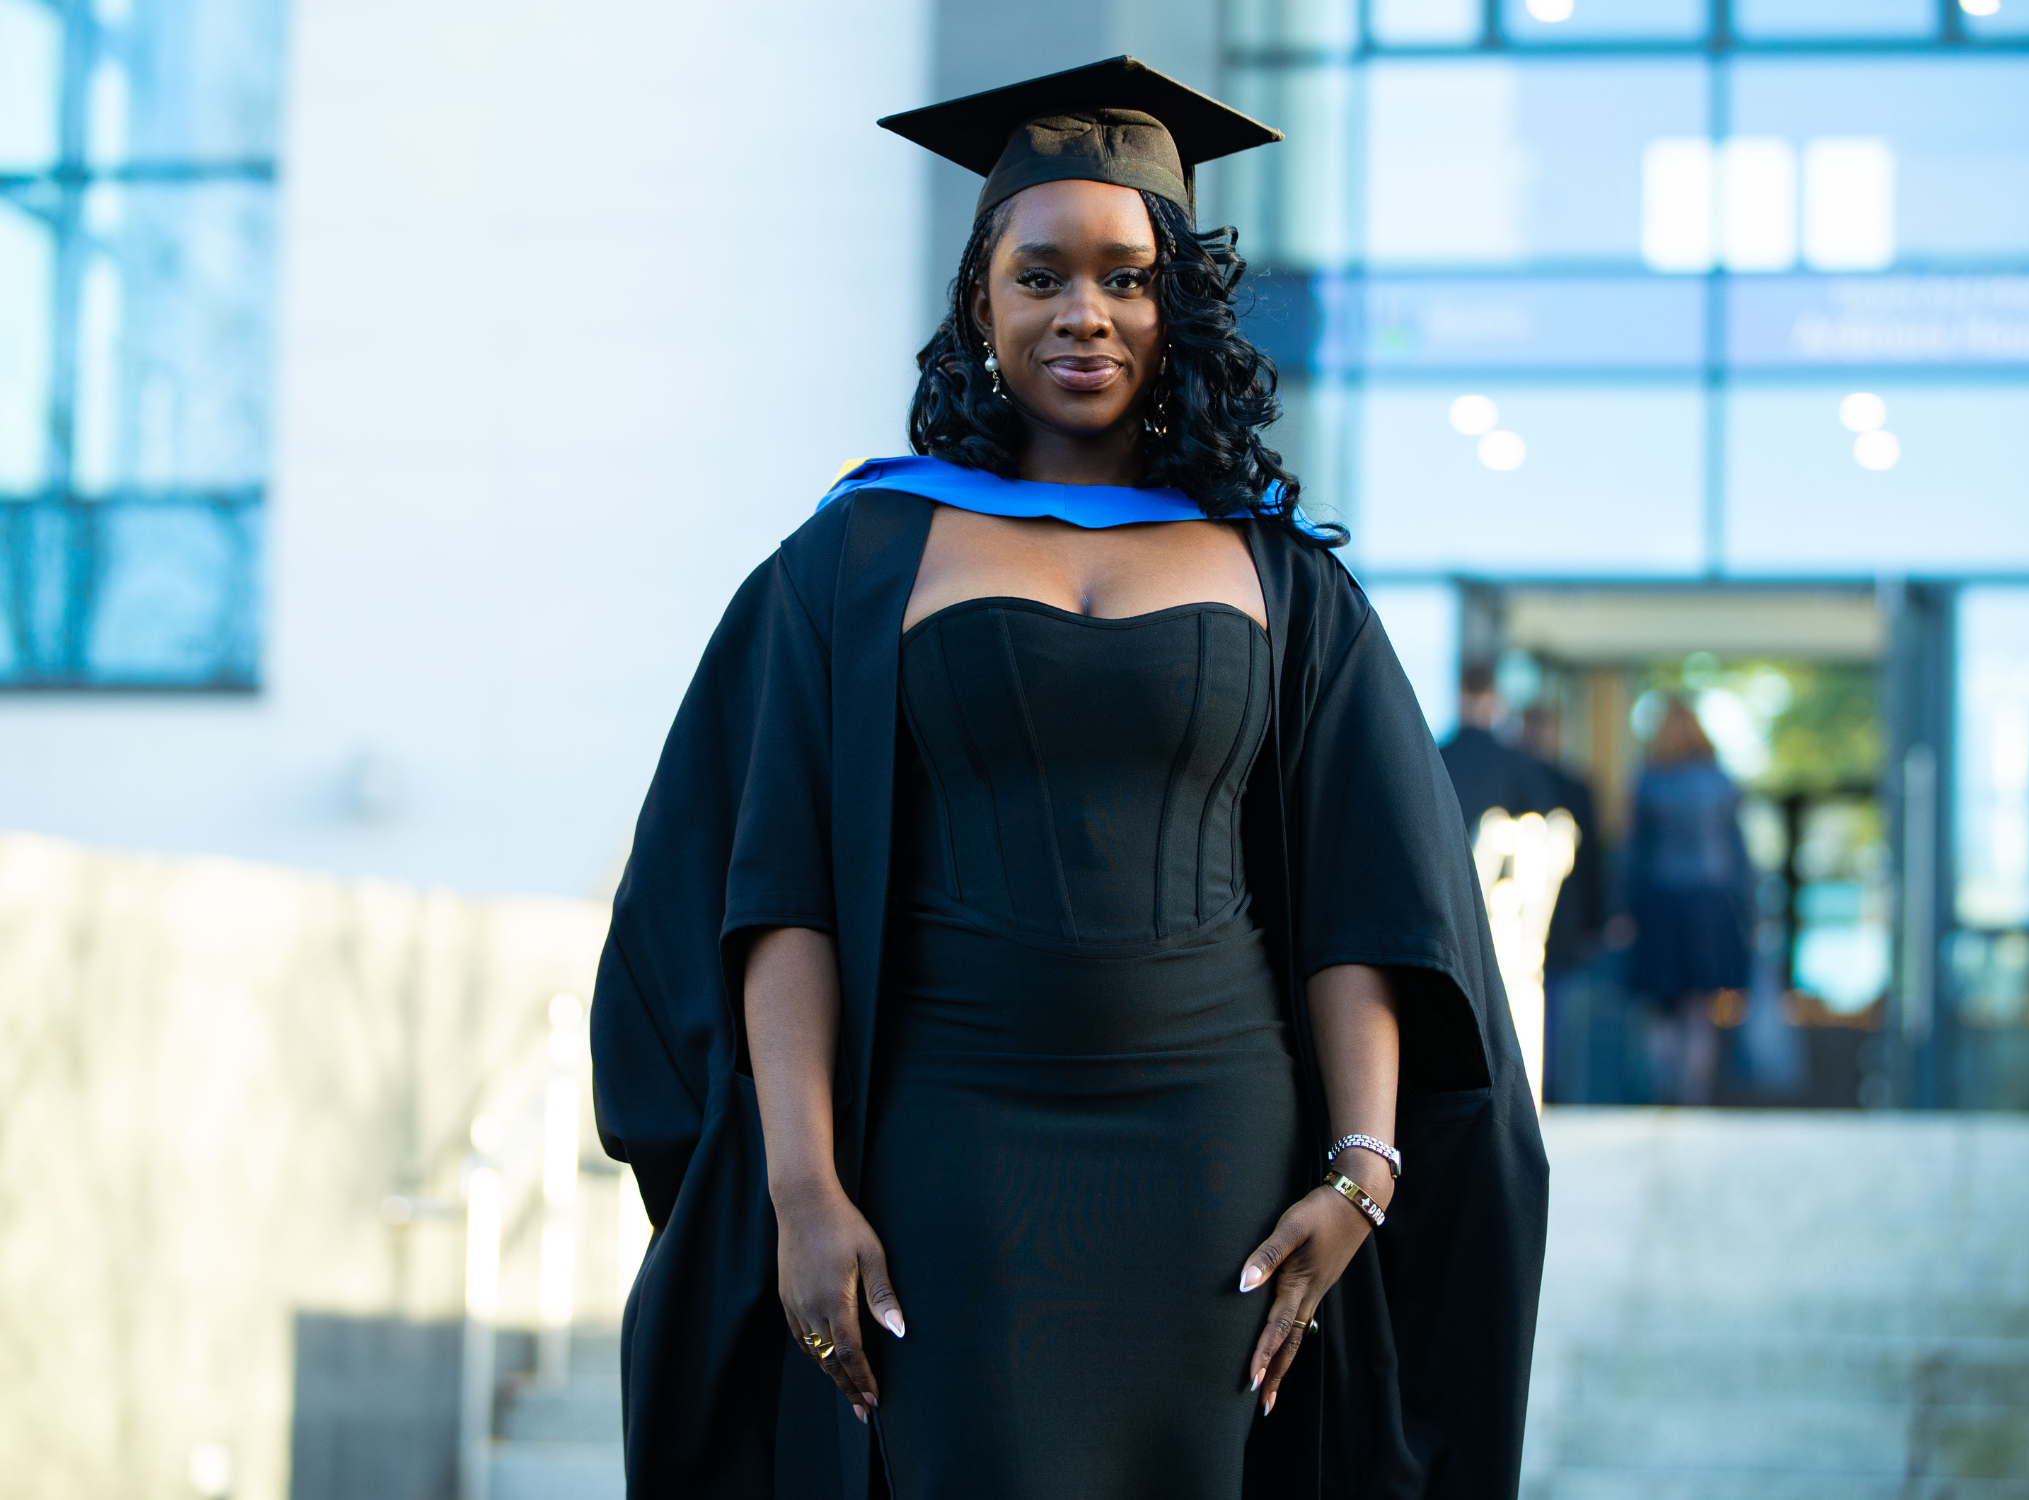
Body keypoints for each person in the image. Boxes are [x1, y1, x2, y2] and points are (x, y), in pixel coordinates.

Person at [589, 57, 1547, 1500]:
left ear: (1180, 310)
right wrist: (803, 1189)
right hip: (943, 1154)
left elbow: (1370, 905)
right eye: (1039, 275)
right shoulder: (854, 562)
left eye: (1125, 277)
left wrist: (1362, 1169)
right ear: (981, 297)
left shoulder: (1282, 579)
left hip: (1217, 1154)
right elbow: (776, 895)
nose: (1082, 314)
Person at [1624, 697, 1753, 1106]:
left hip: (1660, 903)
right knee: (1701, 1009)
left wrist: (1622, 910)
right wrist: (1750, 911)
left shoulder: (1649, 781)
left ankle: (1663, 1091)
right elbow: (1738, 854)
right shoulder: (1719, 782)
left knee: (1662, 1006)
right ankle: (1694, 1096)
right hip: (1711, 905)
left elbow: (1633, 856)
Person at [1521, 704, 1602, 1104]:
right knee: (1556, 1011)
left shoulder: (1514, 778)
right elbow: (1592, 865)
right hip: (1556, 923)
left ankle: (1540, 1089)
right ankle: (1548, 1090)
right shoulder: (1574, 787)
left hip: (1527, 922)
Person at [1439, 664, 1558, 840]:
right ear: (1492, 698)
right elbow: (1539, 827)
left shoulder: (1438, 759)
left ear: (1460, 696)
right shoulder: (1515, 764)